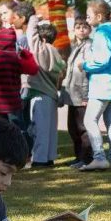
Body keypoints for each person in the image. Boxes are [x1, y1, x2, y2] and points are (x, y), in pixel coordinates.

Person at [79, 2, 111, 172]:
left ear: (99, 17)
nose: (86, 18)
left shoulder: (101, 33)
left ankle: (99, 157)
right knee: (110, 121)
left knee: (89, 120)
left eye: (88, 15)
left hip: (102, 85)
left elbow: (102, 60)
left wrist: (84, 65)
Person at [0, 28, 37, 130]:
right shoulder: (17, 59)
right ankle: (21, 146)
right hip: (14, 103)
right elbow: (33, 70)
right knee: (17, 131)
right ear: (13, 42)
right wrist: (27, 54)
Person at [24, 17, 65, 167]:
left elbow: (30, 35)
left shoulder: (41, 50)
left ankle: (40, 159)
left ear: (41, 37)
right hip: (52, 93)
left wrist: (33, 19)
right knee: (50, 129)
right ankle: (49, 157)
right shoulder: (56, 52)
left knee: (39, 128)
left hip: (39, 92)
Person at [61, 17, 93, 169]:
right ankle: (78, 156)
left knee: (82, 128)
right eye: (78, 27)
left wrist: (86, 95)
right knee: (72, 128)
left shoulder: (89, 47)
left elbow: (86, 73)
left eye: (84, 27)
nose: (81, 29)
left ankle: (87, 158)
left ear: (89, 29)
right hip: (72, 94)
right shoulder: (75, 46)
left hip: (81, 95)